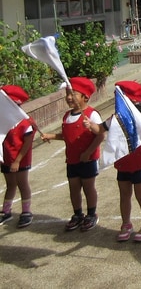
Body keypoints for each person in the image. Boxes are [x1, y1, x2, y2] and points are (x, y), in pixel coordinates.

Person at [83, 81, 141, 242]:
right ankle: (126, 224)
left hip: (140, 163)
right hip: (123, 163)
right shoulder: (115, 119)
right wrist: (90, 125)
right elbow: (100, 129)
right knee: (124, 194)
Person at [40, 77, 105, 232]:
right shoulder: (66, 116)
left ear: (85, 97)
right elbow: (66, 135)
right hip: (72, 160)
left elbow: (100, 135)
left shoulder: (91, 114)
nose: (68, 97)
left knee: (88, 187)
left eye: (73, 93)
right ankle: (77, 214)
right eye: (67, 93)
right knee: (73, 187)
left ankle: (91, 214)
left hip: (87, 160)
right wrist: (52, 136)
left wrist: (88, 152)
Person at [0, 85, 36, 228]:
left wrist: (17, 161)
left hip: (20, 159)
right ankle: (6, 211)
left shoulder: (25, 123)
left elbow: (27, 143)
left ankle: (26, 212)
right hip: (7, 159)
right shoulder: (3, 121)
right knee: (10, 185)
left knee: (22, 183)